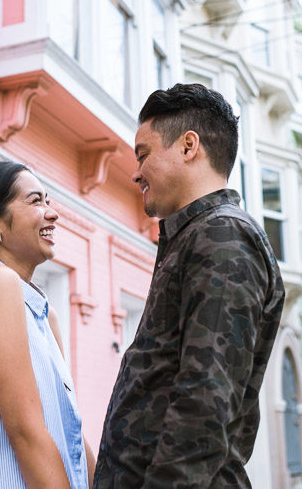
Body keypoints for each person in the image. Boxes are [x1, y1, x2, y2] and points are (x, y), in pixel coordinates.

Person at [93, 84, 285, 488]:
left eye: (143, 153)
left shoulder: (223, 236)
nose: (136, 171)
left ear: (188, 146)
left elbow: (206, 399)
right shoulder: (198, 235)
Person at [0, 160, 95, 488]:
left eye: (48, 201)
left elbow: (71, 434)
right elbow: (26, 432)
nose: (52, 213)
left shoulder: (44, 313)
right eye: (35, 201)